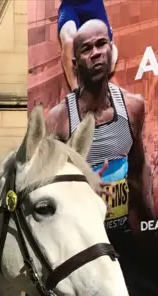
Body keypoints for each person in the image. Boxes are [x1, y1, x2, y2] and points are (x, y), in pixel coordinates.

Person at [46, 19, 155, 235]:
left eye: (101, 44)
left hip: (124, 238)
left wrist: (151, 225)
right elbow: (44, 189)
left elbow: (138, 169)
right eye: (86, 49)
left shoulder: (133, 107)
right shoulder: (59, 120)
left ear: (111, 50)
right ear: (75, 63)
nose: (96, 53)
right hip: (81, 245)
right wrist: (82, 184)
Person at [57, 0, 118, 91]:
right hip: (70, 6)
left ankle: (96, 87)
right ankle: (76, 92)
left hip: (93, 4)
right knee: (69, 40)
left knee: (110, 63)